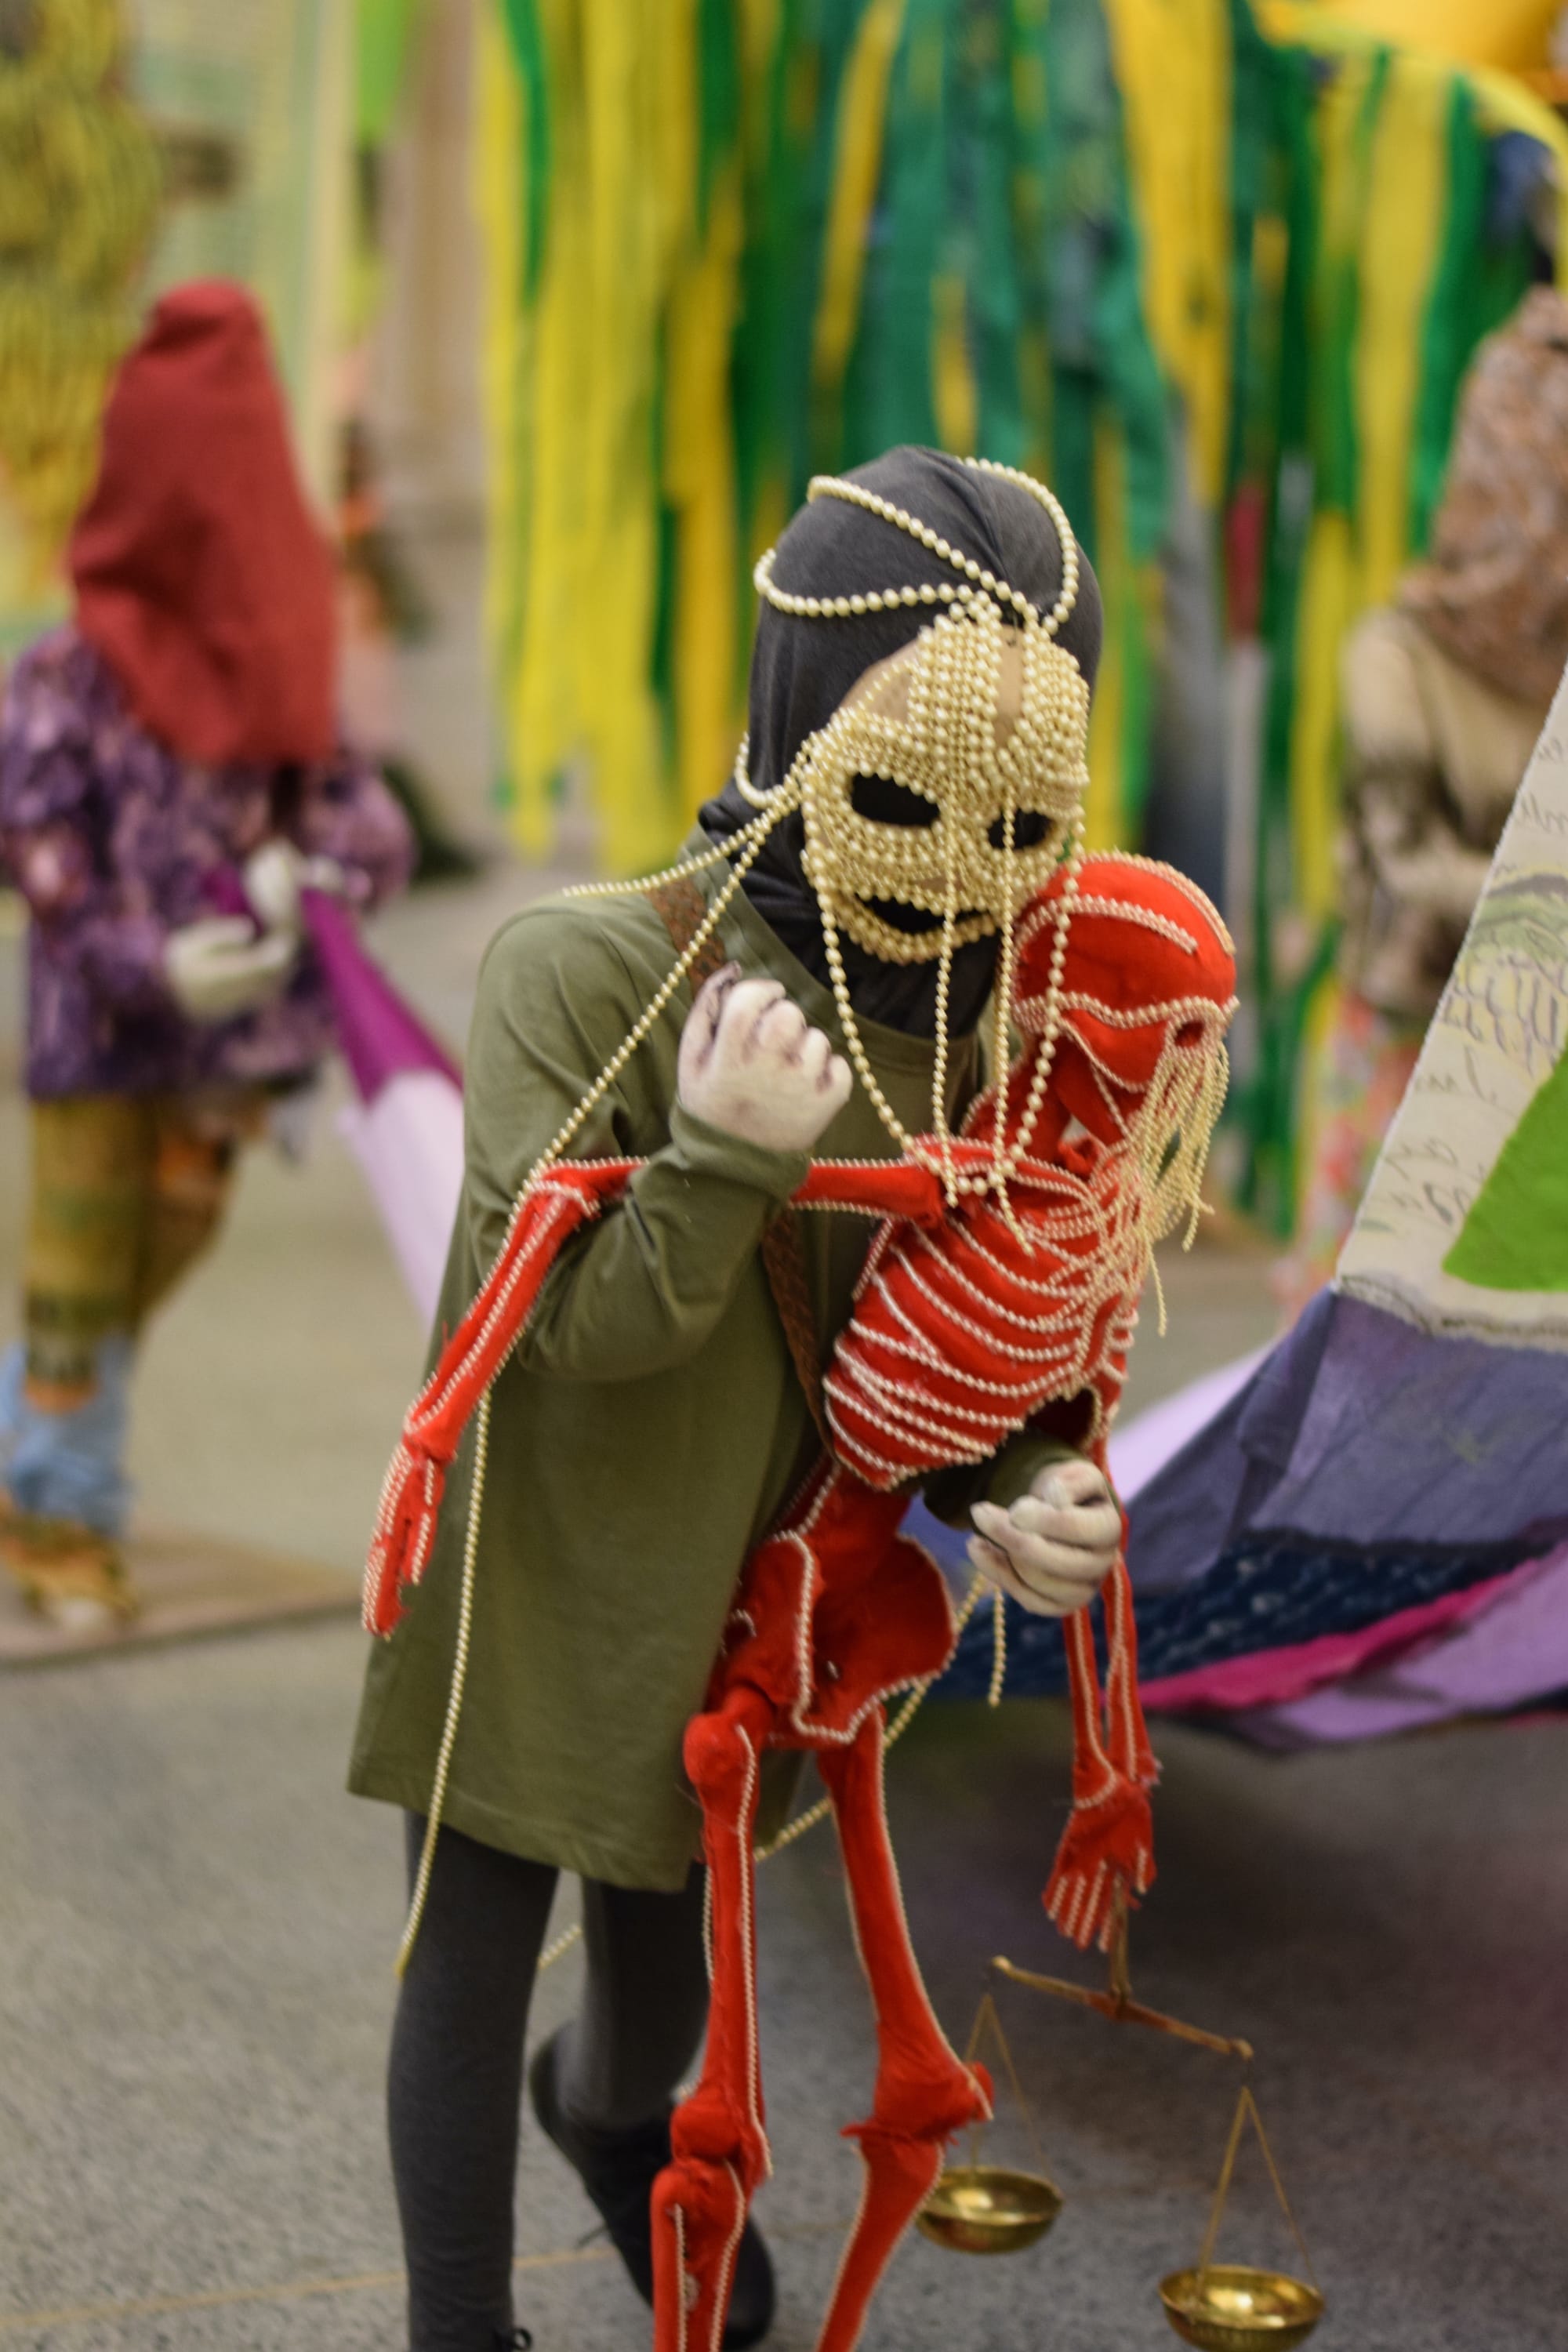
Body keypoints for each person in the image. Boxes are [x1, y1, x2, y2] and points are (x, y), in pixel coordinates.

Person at [349, 448, 1127, 2352]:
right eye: (909, 792)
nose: (955, 867)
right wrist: (718, 1153)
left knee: (656, 2008)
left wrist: (1025, 1475)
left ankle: (610, 2121)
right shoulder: (588, 970)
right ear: (801, 722)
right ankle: (457, 2325)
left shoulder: (984, 1021)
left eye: (1018, 817)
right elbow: (570, 1332)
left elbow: (944, 1332)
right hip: (538, 1563)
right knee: (467, 1957)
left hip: (735, 1602)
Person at [0, 281, 413, 1629]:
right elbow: (37, 842)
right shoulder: (66, 681)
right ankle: (60, 1517)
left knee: (161, 1245)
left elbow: (364, 816)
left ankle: (28, 1447)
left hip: (230, 1051)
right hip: (100, 1036)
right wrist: (147, 961)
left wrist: (319, 876)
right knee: (77, 1263)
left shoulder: (275, 667)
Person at [1283, 285, 1568, 1308]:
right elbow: (1407, 873)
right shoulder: (1394, 662)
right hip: (1410, 1074)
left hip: (1542, 1091)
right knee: (1371, 1351)